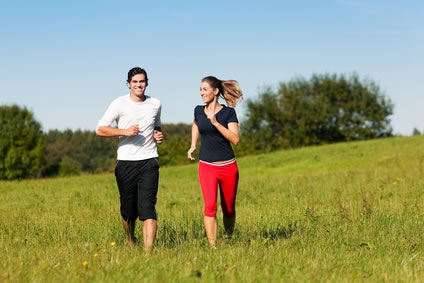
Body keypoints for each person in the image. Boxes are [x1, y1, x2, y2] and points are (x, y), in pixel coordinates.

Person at [96, 67, 163, 250]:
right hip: (126, 163)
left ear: (147, 83)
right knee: (128, 211)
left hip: (149, 160)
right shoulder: (119, 104)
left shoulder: (155, 104)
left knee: (148, 208)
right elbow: (100, 129)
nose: (138, 85)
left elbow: (157, 126)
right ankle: (130, 239)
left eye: (142, 81)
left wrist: (158, 135)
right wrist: (124, 132)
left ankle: (148, 254)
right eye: (135, 82)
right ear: (128, 84)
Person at [188, 76, 243, 247]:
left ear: (215, 91)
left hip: (228, 167)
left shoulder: (228, 113)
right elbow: (196, 125)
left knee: (228, 209)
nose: (201, 93)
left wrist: (216, 123)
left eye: (205, 89)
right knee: (210, 207)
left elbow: (235, 139)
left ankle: (228, 239)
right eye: (200, 89)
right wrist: (193, 144)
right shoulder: (198, 110)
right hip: (207, 166)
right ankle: (213, 247)